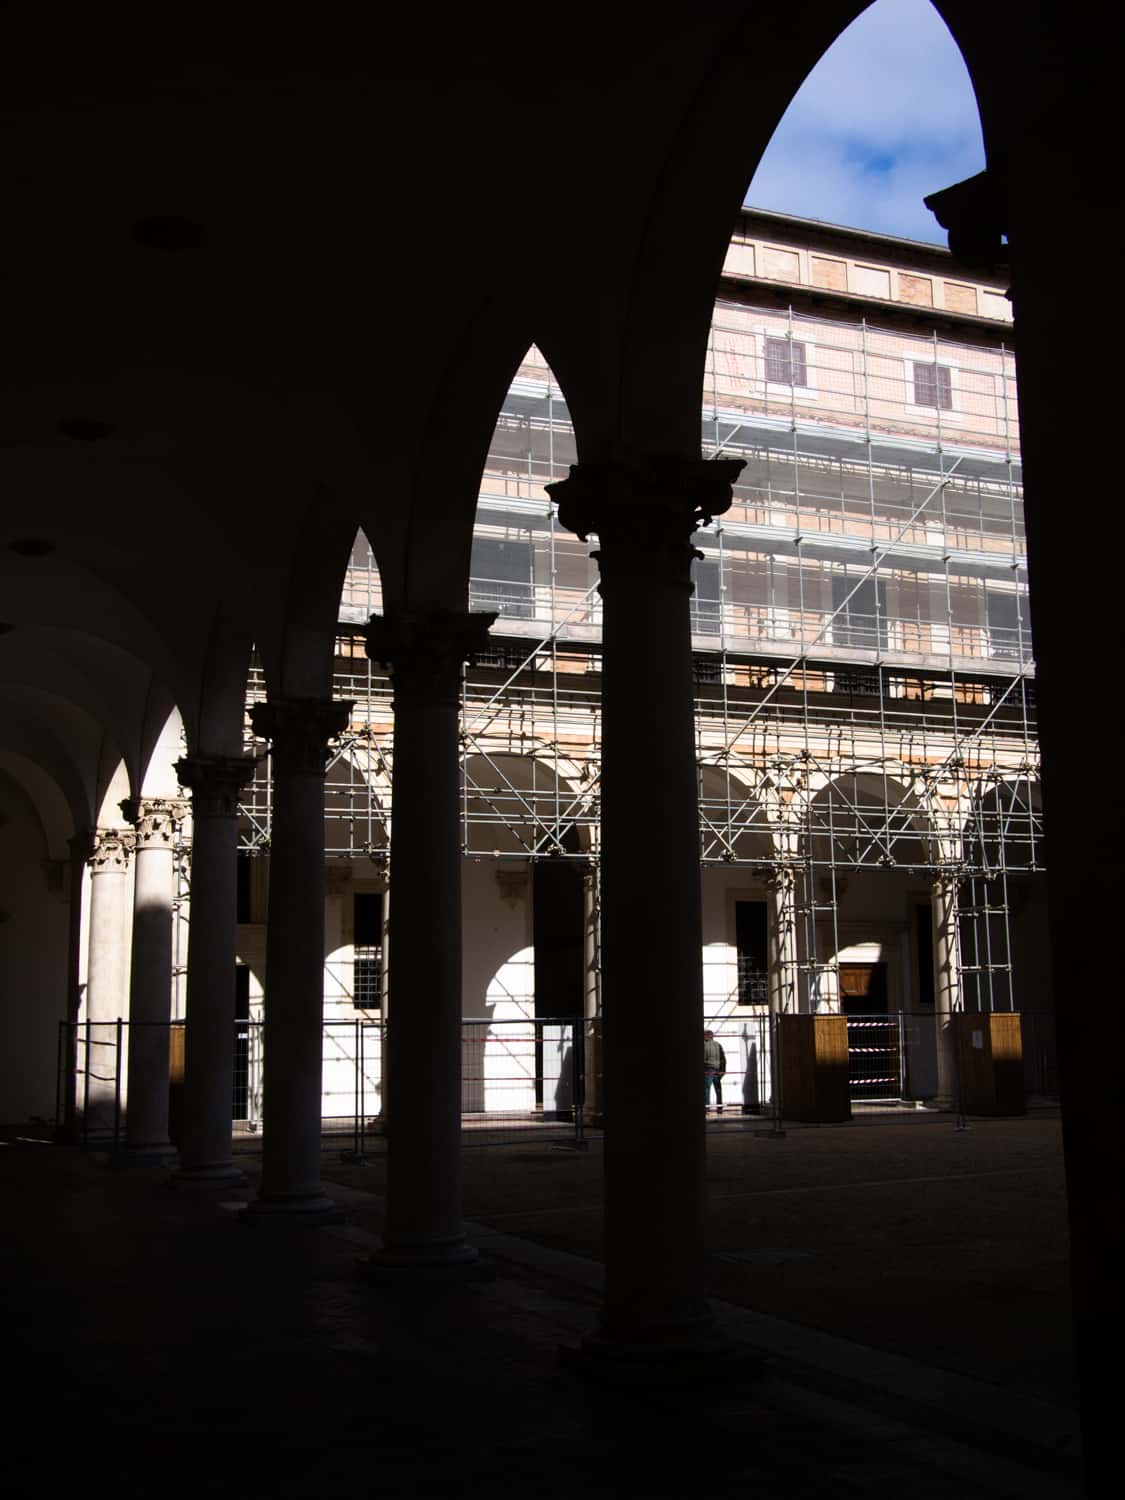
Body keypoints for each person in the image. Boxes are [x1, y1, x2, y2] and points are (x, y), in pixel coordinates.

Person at [703, 1029, 726, 1114]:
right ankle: (719, 1108)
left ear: (706, 1036)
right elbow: (723, 1058)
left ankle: (706, 1108)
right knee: (718, 1089)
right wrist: (722, 1070)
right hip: (718, 1069)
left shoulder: (704, 1045)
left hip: (708, 1069)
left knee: (706, 1089)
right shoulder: (718, 1044)